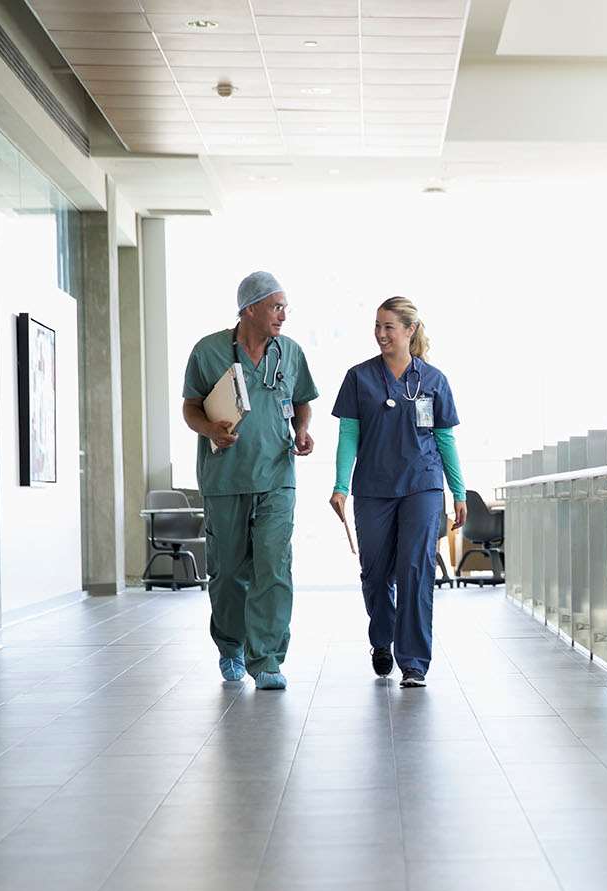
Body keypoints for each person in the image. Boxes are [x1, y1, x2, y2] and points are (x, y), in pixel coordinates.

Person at [181, 272, 318, 690]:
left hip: (277, 475)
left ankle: (268, 660)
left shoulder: (290, 353)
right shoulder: (208, 351)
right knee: (227, 572)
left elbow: (301, 403)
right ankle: (231, 647)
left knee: (274, 567)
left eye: (284, 307)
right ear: (249, 308)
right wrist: (210, 430)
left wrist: (301, 432)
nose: (283, 315)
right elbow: (190, 408)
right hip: (225, 479)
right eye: (276, 306)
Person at [330, 296, 465, 687]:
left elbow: (445, 439)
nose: (381, 334)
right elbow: (348, 435)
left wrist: (457, 492)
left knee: (415, 569)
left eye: (389, 326)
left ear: (410, 330)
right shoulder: (359, 377)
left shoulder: (434, 380)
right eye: (377, 326)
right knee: (375, 574)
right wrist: (340, 486)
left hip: (422, 485)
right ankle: (382, 640)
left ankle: (414, 662)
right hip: (373, 487)